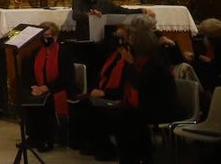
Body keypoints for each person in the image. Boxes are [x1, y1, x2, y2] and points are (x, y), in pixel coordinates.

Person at [110, 15, 179, 164]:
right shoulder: (140, 59)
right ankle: (132, 156)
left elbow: (140, 84)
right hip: (147, 104)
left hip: (161, 108)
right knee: (119, 113)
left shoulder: (155, 62)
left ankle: (137, 157)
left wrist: (128, 64)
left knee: (126, 116)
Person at [68, 24, 131, 159]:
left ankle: (105, 148)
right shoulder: (114, 55)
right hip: (106, 92)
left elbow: (126, 85)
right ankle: (89, 142)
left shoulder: (131, 59)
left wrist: (105, 94)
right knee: (81, 103)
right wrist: (97, 90)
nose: (118, 42)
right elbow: (104, 75)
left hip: (118, 97)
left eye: (122, 38)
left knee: (97, 109)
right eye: (117, 38)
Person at [21, 21, 75, 151]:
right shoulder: (36, 52)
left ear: (55, 36)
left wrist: (47, 87)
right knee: (29, 98)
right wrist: (34, 86)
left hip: (59, 87)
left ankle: (47, 139)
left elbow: (66, 77)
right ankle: (34, 136)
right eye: (43, 36)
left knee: (48, 102)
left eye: (48, 36)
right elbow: (30, 74)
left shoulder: (63, 52)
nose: (46, 39)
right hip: (41, 88)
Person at [70, 0, 154, 39]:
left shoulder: (104, 2)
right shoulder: (77, 1)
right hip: (84, 37)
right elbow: (76, 15)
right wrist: (89, 14)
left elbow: (121, 10)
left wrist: (140, 10)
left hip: (102, 37)